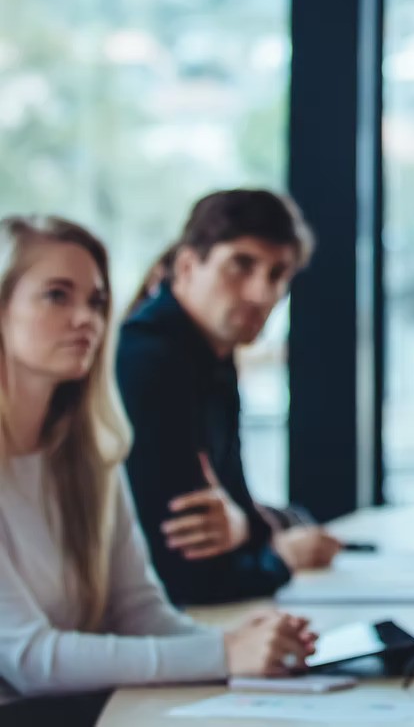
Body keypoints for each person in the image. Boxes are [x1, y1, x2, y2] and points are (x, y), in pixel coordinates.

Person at [0, 215, 314, 722]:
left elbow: (140, 612)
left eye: (97, 301)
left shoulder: (91, 456)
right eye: (57, 295)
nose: (87, 319)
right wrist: (223, 654)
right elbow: (29, 660)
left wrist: (245, 644)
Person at [117, 190, 340, 607]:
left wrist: (248, 527)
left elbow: (238, 508)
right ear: (186, 265)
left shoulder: (211, 357)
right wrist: (280, 557)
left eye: (277, 275)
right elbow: (186, 573)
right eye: (241, 265)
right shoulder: (149, 361)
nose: (261, 294)